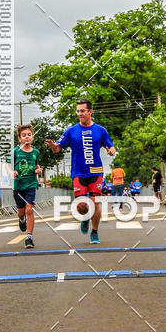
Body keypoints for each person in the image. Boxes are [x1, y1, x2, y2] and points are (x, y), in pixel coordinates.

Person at [46, 99, 115, 244]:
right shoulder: (71, 131)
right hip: (78, 172)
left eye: (82, 111)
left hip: (96, 171)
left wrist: (111, 150)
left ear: (90, 112)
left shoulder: (101, 130)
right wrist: (53, 146)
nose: (79, 114)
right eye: (78, 111)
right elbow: (58, 149)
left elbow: (110, 146)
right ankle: (85, 218)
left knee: (94, 202)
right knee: (82, 206)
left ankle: (94, 232)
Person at [13, 124, 42, 249]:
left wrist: (39, 170)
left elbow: (37, 165)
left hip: (31, 184)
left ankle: (29, 237)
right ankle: (21, 220)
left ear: (32, 137)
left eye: (29, 135)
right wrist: (11, 172)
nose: (27, 137)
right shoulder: (16, 151)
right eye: (24, 135)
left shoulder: (36, 152)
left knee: (29, 209)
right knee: (21, 212)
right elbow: (7, 165)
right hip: (18, 185)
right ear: (19, 138)